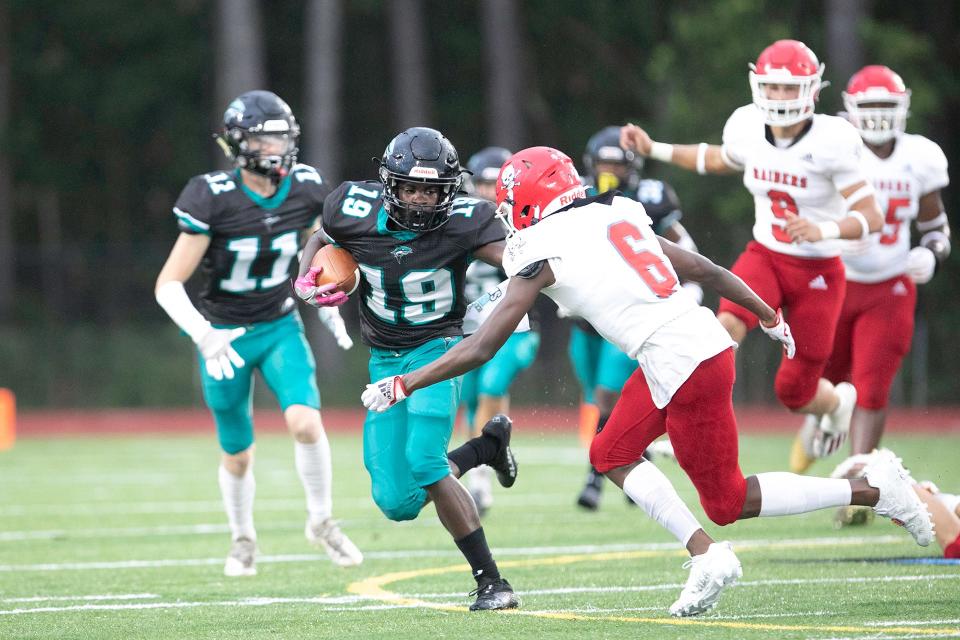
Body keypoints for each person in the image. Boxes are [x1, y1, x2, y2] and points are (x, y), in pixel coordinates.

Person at [360, 146, 933, 617]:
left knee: (728, 499)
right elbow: (703, 268)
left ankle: (875, 490)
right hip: (685, 347)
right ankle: (704, 553)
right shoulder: (617, 213)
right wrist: (767, 314)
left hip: (684, 363)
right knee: (610, 452)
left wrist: (406, 384)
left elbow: (483, 345)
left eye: (511, 202)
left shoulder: (542, 246)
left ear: (530, 201)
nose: (506, 213)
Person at [619, 40, 885, 475]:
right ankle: (691, 421)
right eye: (773, 87)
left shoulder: (833, 140)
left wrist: (825, 229)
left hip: (819, 270)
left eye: (789, 88)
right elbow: (719, 159)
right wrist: (656, 149)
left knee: (794, 391)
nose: (780, 97)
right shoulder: (746, 126)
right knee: (725, 325)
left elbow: (870, 215)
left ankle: (838, 401)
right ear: (758, 86)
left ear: (813, 90)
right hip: (766, 255)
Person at [294, 127, 520, 611]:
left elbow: (521, 264)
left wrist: (534, 277)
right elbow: (318, 239)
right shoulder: (351, 208)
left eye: (432, 190)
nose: (420, 200)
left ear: (449, 191)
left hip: (437, 349)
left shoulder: (466, 220)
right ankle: (485, 447)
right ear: (388, 184)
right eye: (411, 188)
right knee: (397, 502)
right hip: (383, 358)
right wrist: (305, 280)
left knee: (424, 462)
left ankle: (492, 582)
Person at [154, 90, 362, 576]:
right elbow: (167, 284)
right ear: (239, 143)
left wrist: (324, 294)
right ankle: (243, 537)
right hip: (223, 336)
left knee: (306, 423)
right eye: (266, 137)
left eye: (283, 136)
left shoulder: (306, 186)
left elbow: (320, 245)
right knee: (238, 453)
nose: (278, 146)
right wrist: (203, 335)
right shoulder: (212, 196)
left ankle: (321, 521)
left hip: (278, 324)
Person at [806, 66, 951, 520]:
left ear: (903, 107)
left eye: (886, 107)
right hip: (835, 280)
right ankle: (825, 416)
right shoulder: (832, 146)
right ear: (850, 109)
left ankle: (860, 488)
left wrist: (932, 253)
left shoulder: (920, 157)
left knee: (872, 387)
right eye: (869, 107)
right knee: (817, 379)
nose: (877, 117)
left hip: (890, 286)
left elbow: (935, 227)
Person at [574, 126, 696, 510]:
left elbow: (684, 243)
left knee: (610, 393)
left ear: (633, 167)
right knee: (596, 395)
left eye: (617, 163)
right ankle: (636, 459)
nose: (610, 169)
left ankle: (596, 475)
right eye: (604, 162)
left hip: (622, 312)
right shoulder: (573, 195)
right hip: (583, 318)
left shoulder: (649, 197)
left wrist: (687, 283)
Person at [459, 147, 540, 517]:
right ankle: (481, 480)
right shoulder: (455, 220)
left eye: (497, 183)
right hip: (469, 329)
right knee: (471, 398)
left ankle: (487, 454)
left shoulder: (526, 220)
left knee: (492, 386)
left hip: (517, 328)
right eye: (484, 183)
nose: (490, 191)